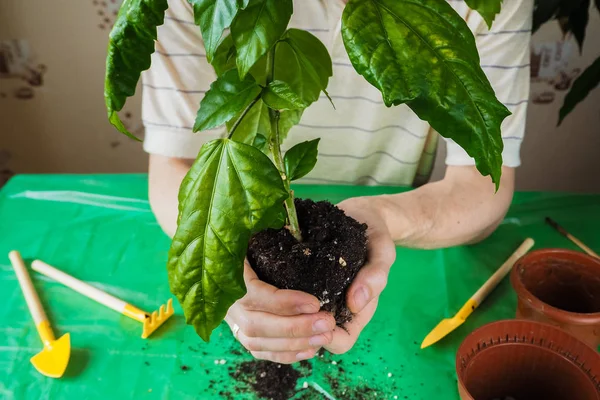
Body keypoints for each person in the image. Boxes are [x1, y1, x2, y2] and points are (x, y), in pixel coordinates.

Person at [145, 0, 533, 364]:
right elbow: (173, 167)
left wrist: (384, 216)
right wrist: (223, 258)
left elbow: (483, 186)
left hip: (384, 220)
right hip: (248, 215)